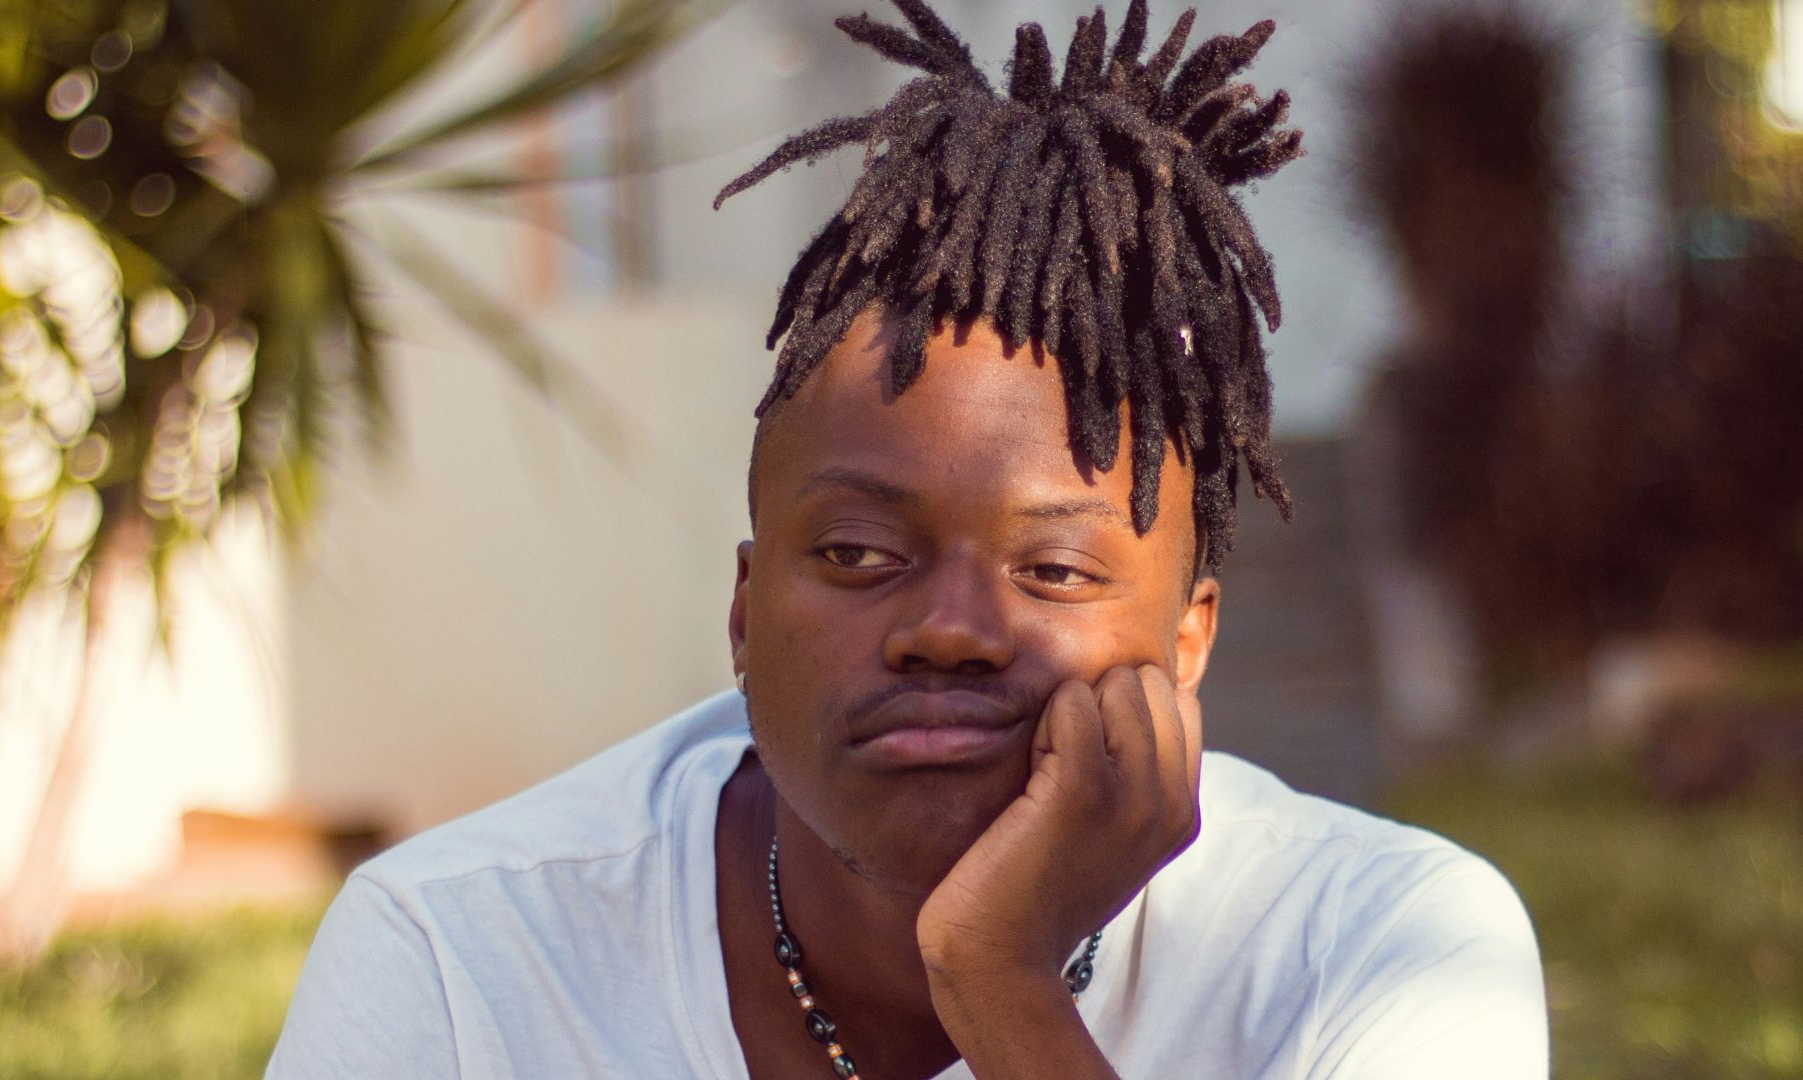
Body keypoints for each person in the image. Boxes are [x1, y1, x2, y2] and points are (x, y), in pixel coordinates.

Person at [266, 2, 1548, 1077]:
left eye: (1053, 568)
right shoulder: (456, 961)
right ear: (744, 611)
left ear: (1191, 636)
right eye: (860, 557)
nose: (947, 629)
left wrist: (1000, 983)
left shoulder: (1381, 952)